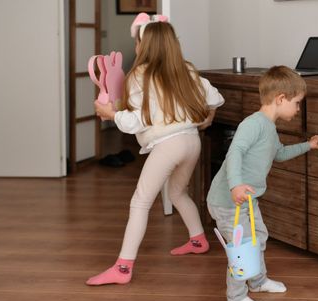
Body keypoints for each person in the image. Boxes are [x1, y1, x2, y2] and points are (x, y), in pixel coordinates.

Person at [86, 13, 224, 286]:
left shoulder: (139, 75)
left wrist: (111, 115)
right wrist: (208, 118)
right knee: (177, 192)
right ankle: (197, 239)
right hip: (191, 141)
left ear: (144, 46)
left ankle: (123, 268)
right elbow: (215, 98)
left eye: (138, 42)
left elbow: (137, 121)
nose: (136, 47)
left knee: (140, 202)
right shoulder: (186, 69)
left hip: (167, 146)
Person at [207, 65, 318, 301]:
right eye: (297, 102)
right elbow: (234, 151)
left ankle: (258, 282)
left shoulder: (269, 128)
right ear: (280, 99)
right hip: (228, 201)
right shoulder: (253, 124)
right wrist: (235, 184)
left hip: (248, 201)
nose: (298, 108)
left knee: (259, 237)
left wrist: (308, 145)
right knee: (244, 247)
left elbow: (279, 154)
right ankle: (236, 298)